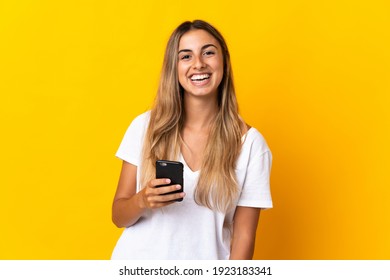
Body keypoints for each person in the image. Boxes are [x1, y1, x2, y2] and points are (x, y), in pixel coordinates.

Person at [111, 20, 273, 260]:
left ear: (224, 62)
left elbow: (244, 237)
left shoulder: (250, 145)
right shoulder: (145, 127)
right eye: (185, 56)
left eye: (208, 52)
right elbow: (118, 215)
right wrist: (142, 199)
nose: (199, 64)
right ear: (173, 68)